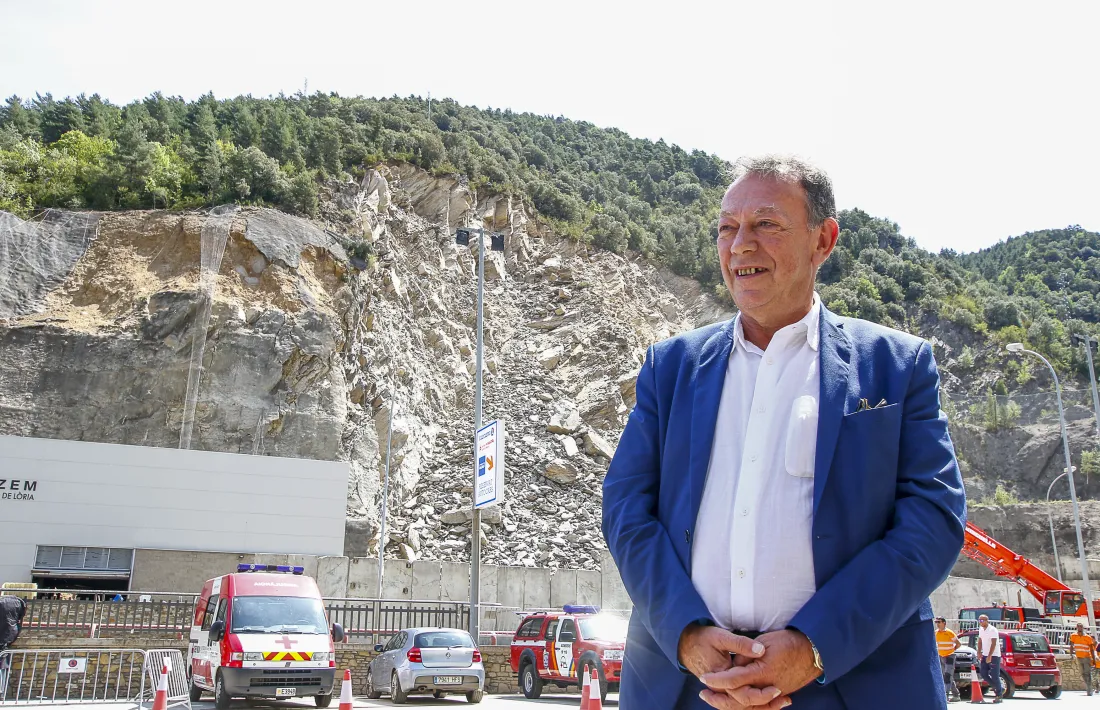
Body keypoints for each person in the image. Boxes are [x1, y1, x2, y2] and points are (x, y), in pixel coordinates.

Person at [602, 154, 967, 710]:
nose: (740, 245)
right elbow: (627, 509)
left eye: (765, 225)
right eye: (727, 228)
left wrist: (813, 646)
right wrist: (686, 633)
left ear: (824, 240)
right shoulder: (669, 367)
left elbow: (933, 522)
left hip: (848, 685)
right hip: (689, 686)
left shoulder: (897, 366)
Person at [976, 615, 1003, 703]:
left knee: (995, 675)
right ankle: (998, 688)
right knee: (983, 674)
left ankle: (999, 695)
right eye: (979, 620)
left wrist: (990, 656)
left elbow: (993, 643)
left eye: (982, 620)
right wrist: (979, 652)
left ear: (987, 620)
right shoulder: (981, 629)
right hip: (984, 654)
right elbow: (980, 641)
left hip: (994, 655)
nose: (981, 622)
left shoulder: (992, 630)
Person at [935, 618, 961, 702]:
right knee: (946, 676)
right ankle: (956, 695)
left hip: (949, 656)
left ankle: (945, 695)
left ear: (944, 623)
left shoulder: (949, 633)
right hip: (941, 656)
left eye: (939, 622)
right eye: (936, 622)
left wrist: (951, 651)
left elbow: (958, 644)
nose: (937, 624)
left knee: (947, 676)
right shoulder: (936, 633)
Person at [1069, 622, 1097, 696]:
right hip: (1079, 657)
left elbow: (1091, 649)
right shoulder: (1073, 636)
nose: (1079, 628)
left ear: (1083, 628)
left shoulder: (1088, 637)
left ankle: (1089, 689)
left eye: (1081, 627)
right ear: (1076, 627)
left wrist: (1093, 660)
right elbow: (1071, 645)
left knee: (1087, 673)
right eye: (1078, 627)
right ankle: (1089, 687)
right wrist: (1071, 654)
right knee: (1082, 673)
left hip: (1087, 657)